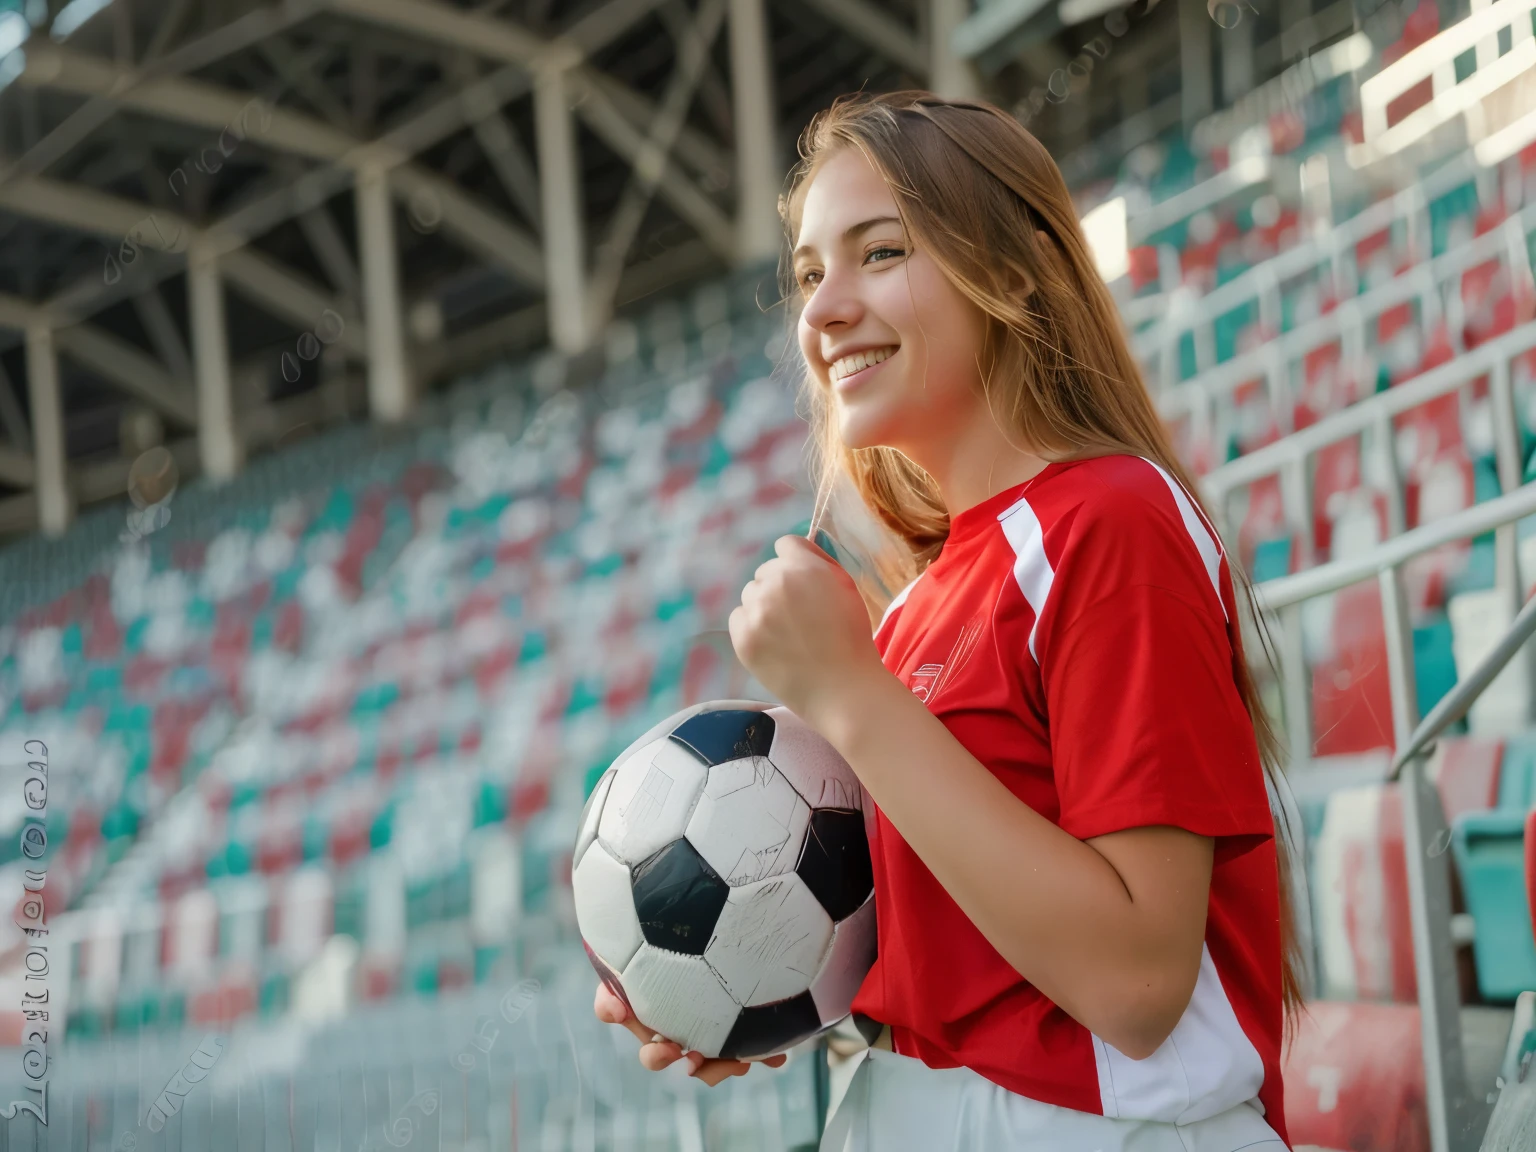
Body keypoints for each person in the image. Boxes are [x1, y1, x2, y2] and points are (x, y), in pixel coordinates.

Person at [595, 89, 1302, 1151]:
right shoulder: (921, 602)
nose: (822, 310)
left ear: (1013, 270)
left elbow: (1137, 982)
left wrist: (848, 694)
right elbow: (965, 949)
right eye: (807, 273)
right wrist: (739, 978)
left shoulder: (1108, 520)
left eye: (878, 253)